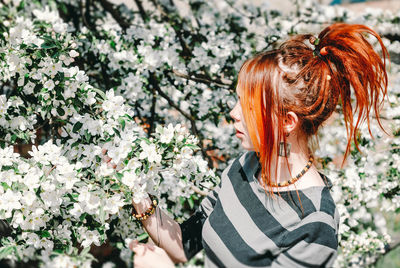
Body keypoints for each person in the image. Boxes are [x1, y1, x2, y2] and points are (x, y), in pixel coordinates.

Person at [124, 23, 388, 267]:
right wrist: (134, 187)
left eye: (248, 105)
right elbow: (185, 243)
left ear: (287, 121)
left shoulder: (314, 225)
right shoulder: (245, 167)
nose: (233, 112)